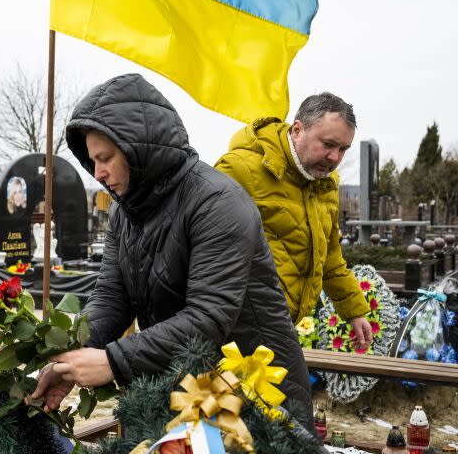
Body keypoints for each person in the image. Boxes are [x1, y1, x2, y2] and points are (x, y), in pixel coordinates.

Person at [32, 73, 315, 430]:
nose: (98, 173)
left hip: (254, 392)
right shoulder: (125, 208)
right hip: (185, 388)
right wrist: (69, 360)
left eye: (105, 158)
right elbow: (111, 297)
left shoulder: (217, 202)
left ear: (138, 147)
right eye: (92, 161)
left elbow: (208, 318)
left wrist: (113, 361)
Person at [215, 93, 372, 348]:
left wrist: (354, 311)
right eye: (328, 144)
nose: (335, 157)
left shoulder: (326, 184)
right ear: (297, 129)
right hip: (234, 330)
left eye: (343, 149)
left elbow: (329, 256)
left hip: (281, 326)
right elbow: (204, 249)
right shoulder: (240, 170)